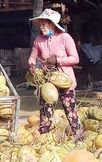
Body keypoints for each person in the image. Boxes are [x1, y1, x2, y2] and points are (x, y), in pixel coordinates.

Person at [28, 8, 82, 137]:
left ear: (52, 23)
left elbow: (75, 59)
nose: (41, 27)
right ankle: (45, 137)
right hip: (47, 82)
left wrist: (58, 61)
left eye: (43, 24)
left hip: (65, 81)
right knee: (45, 111)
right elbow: (32, 57)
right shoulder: (39, 40)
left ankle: (78, 136)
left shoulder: (65, 38)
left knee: (70, 111)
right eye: (40, 24)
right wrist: (31, 65)